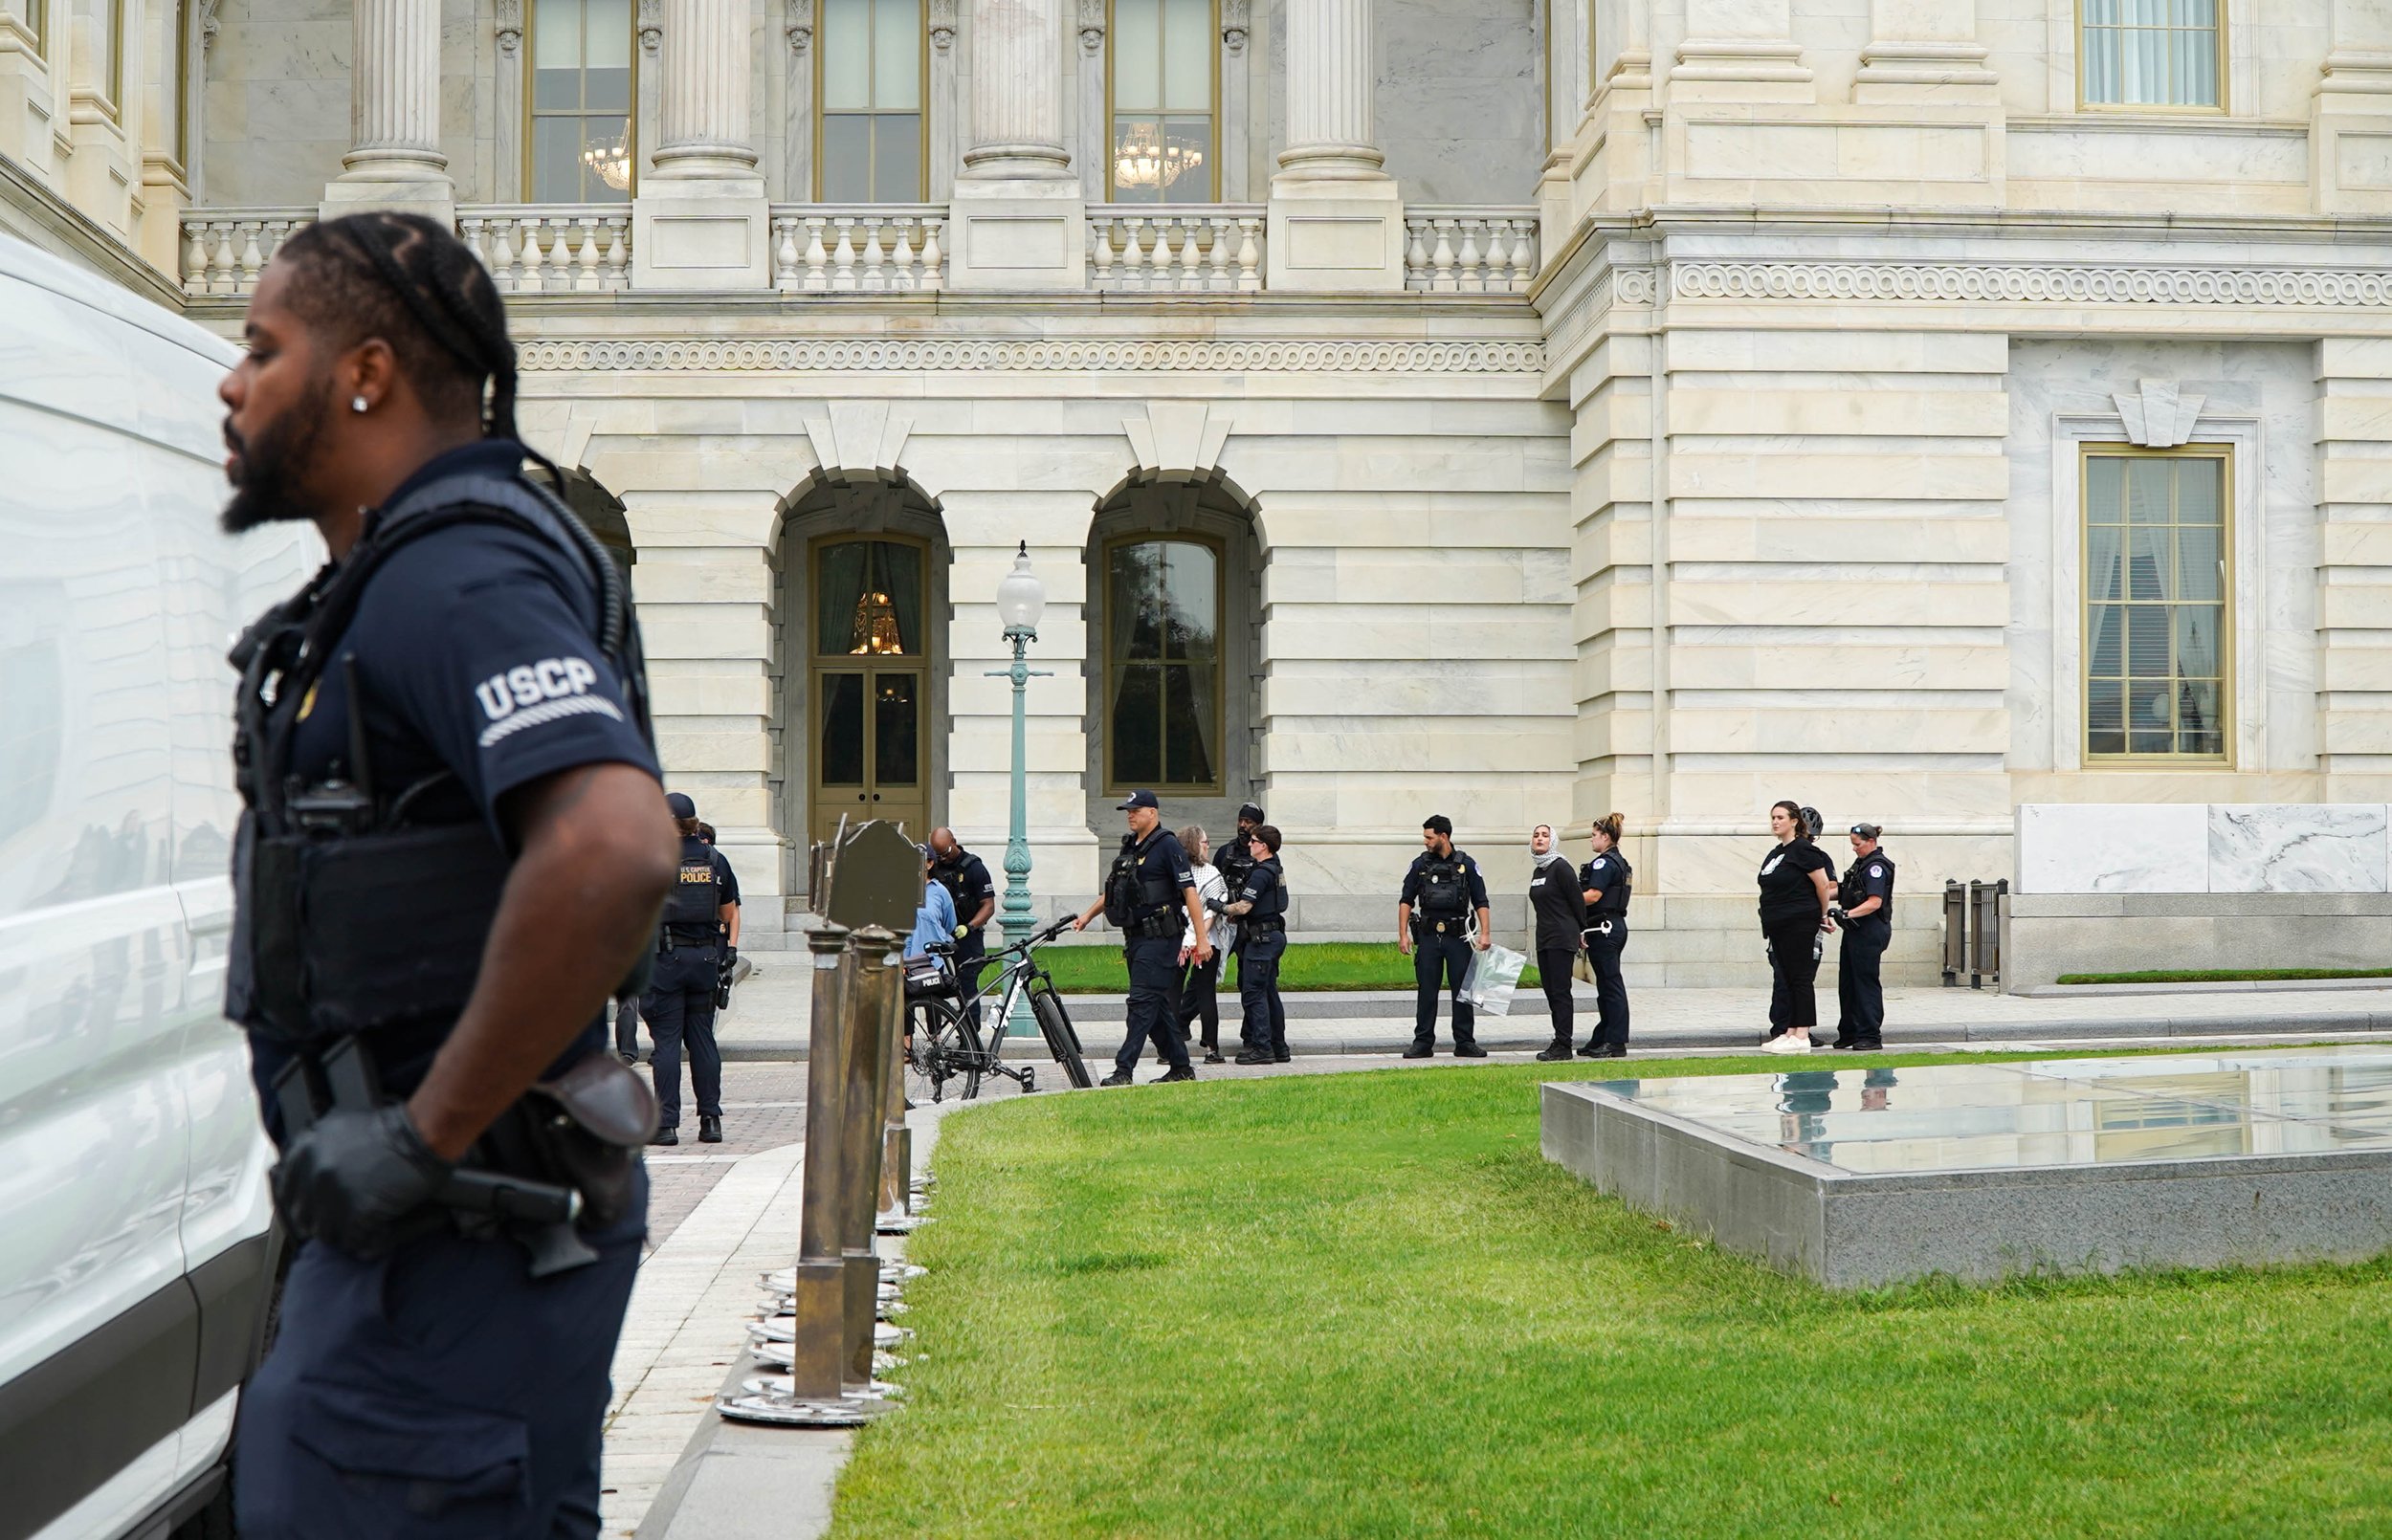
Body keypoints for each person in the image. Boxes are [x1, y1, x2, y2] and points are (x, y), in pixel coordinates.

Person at [214, 211, 678, 1540]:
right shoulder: (402, 578)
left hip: (459, 1250)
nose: (232, 381)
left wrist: (425, 1137)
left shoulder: (452, 575)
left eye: (262, 347)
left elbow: (613, 843)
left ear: (364, 372)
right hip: (437, 1249)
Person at [1074, 790, 1212, 1085]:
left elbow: (1190, 893)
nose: (1130, 814)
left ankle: (1124, 1070)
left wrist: (1201, 939)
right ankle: (1181, 1067)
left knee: (1140, 1004)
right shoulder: (1130, 846)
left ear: (1152, 812)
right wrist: (1087, 916)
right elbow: (1114, 890)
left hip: (1162, 939)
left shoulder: (1168, 846)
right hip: (1135, 939)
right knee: (1155, 1005)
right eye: (1128, 810)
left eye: (1135, 810)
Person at [644, 792, 741, 1143]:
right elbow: (729, 914)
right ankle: (710, 1121)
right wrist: (729, 951)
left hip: (665, 963)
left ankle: (667, 1125)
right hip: (704, 963)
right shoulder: (715, 859)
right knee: (702, 1041)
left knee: (667, 1045)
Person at [1397, 815, 1492, 1059]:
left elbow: (1481, 901)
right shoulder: (1420, 865)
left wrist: (1485, 933)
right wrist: (1403, 935)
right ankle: (1423, 1042)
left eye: (1429, 837)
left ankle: (1464, 1042)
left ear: (1443, 836)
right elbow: (1406, 900)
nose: (1425, 842)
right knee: (1427, 990)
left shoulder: (1467, 864)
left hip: (1458, 936)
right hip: (1429, 936)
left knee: (1463, 991)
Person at [1757, 799, 1836, 1054]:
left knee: (1801, 978)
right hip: (1778, 924)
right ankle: (1789, 1030)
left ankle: (1802, 1033)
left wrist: (1823, 915)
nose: (1775, 822)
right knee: (1787, 978)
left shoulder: (1804, 850)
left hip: (1799, 921)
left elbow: (1823, 885)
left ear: (1794, 821)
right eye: (1773, 818)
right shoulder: (1777, 853)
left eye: (1780, 818)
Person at [1830, 823, 1895, 1050]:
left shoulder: (1876, 867)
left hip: (1869, 929)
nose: (1854, 849)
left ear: (1871, 842)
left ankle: (1869, 1035)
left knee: (1865, 983)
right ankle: (1849, 1032)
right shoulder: (1861, 865)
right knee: (1847, 983)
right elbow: (1845, 889)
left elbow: (1874, 902)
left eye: (1857, 844)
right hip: (1855, 930)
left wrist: (1847, 914)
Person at [1229, 824, 1291, 1065]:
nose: (1249, 844)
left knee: (1253, 994)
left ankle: (1262, 1047)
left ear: (1263, 846)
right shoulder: (1276, 867)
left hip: (1262, 939)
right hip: (1271, 936)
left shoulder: (1262, 872)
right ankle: (1279, 1047)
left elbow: (1244, 906)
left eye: (1253, 841)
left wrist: (1220, 907)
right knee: (1269, 992)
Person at [1527, 824, 1586, 1063]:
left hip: (1562, 937)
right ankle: (1558, 1039)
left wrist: (1582, 931)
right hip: (1544, 938)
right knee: (1550, 990)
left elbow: (1577, 901)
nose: (1539, 839)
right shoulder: (1539, 871)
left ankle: (1564, 1044)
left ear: (1553, 840)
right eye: (1536, 835)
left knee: (1561, 991)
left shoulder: (1561, 867)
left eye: (1545, 835)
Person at [1173, 825, 1231, 1065]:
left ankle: (1170, 1050)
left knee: (1172, 995)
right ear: (1195, 845)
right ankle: (1211, 1049)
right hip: (1206, 943)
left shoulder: (1175, 873)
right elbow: (1214, 911)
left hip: (1179, 944)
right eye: (1205, 842)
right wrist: (1201, 938)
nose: (1208, 846)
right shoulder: (1212, 873)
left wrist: (1190, 939)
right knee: (1206, 994)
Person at [1578, 812, 1632, 1058]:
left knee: (1611, 985)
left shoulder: (1603, 863)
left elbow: (1594, 895)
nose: (1591, 840)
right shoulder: (1619, 861)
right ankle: (1603, 1035)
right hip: (1611, 925)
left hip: (1605, 927)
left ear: (1605, 836)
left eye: (1594, 835)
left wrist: (1564, 900)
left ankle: (1615, 1041)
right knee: (1607, 985)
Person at [909, 843, 960, 961]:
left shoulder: (940, 891)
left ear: (930, 864)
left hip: (932, 960)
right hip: (904, 960)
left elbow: (949, 924)